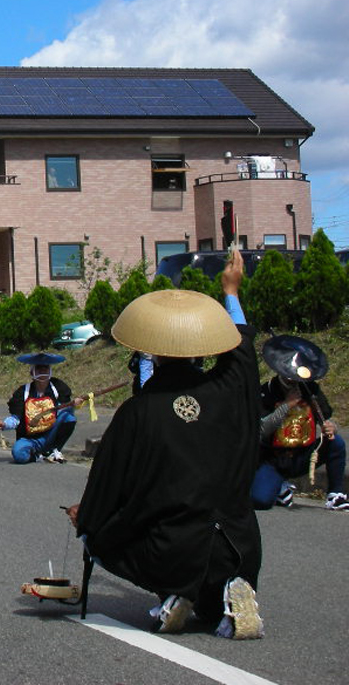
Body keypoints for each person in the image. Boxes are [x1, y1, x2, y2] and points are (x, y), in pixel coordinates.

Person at [69, 249, 264, 639]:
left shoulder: (138, 411)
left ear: (152, 351)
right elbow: (242, 356)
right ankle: (230, 592)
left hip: (171, 548)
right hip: (238, 545)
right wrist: (231, 291)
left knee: (99, 538)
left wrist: (86, 519)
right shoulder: (228, 391)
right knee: (212, 605)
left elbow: (109, 483)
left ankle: (174, 594)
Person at [251, 335, 347, 511]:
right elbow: (261, 430)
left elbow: (326, 417)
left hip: (304, 453)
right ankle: (280, 488)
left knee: (336, 443)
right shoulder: (266, 392)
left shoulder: (310, 389)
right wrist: (286, 405)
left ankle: (335, 494)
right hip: (274, 458)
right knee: (260, 500)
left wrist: (331, 427)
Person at [0, 352, 79, 463]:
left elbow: (64, 408)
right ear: (32, 372)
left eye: (45, 368)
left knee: (68, 417)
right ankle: (38, 456)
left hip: (50, 434)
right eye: (39, 368)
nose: (43, 371)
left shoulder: (58, 388)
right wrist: (4, 424)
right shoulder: (23, 392)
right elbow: (16, 418)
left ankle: (54, 449)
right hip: (30, 438)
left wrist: (73, 404)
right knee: (19, 454)